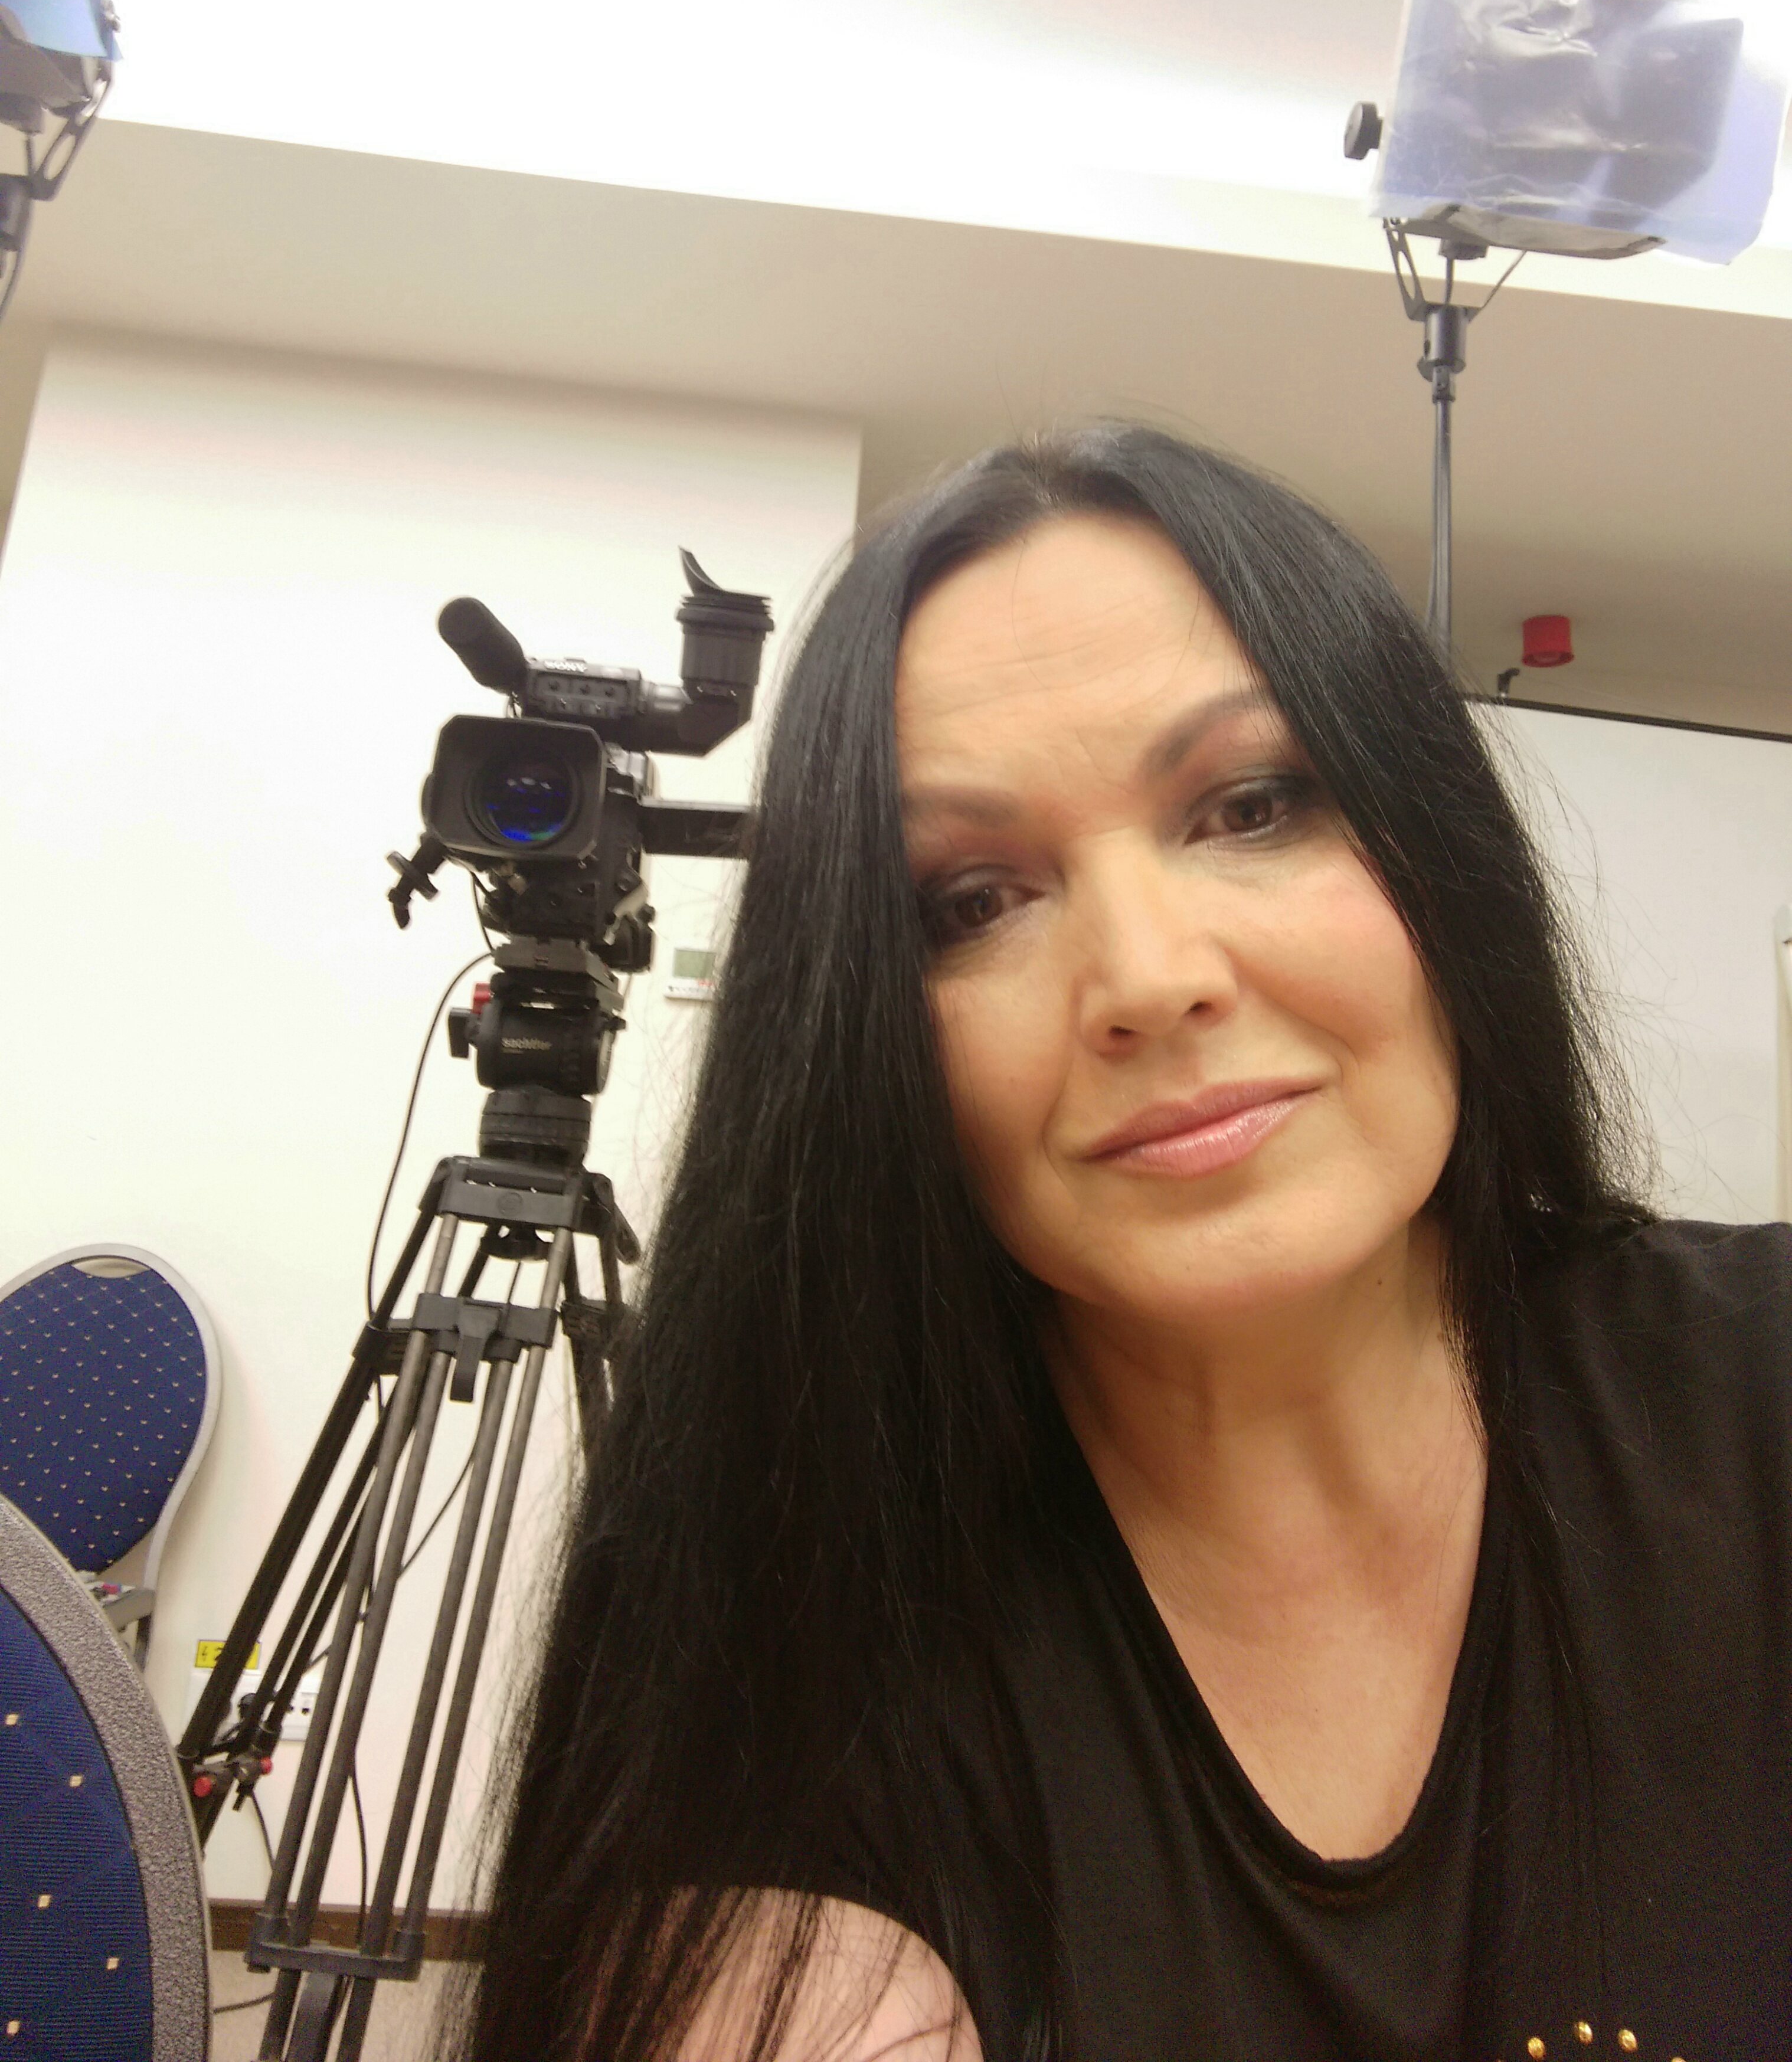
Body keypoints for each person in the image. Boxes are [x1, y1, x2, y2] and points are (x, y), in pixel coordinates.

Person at [460, 426, 1792, 2062]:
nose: (1150, 980)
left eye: (1251, 805)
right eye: (971, 901)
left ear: (1436, 850)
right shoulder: (804, 1634)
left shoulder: (1756, 1393)